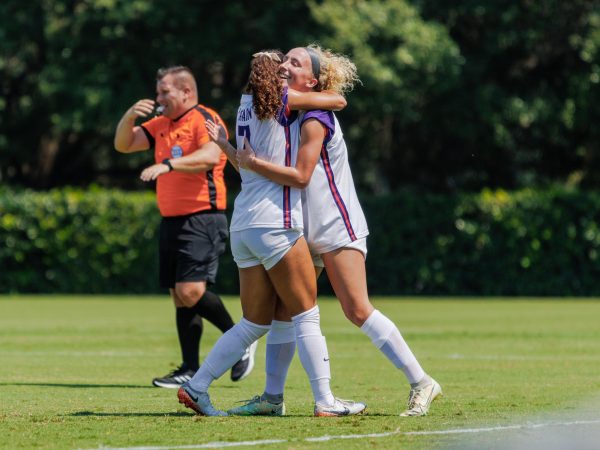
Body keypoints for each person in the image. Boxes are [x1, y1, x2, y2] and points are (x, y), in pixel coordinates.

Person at [226, 45, 442, 417]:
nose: (285, 65)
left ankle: (422, 382)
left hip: (334, 223)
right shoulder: (285, 110)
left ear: (311, 80)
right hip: (298, 226)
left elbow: (303, 174)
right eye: (284, 60)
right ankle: (271, 397)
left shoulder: (314, 116)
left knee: (356, 308)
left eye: (295, 62)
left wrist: (253, 161)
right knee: (283, 311)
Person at [176, 50, 366, 417]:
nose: (286, 70)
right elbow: (338, 100)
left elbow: (243, 162)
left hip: (243, 225)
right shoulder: (283, 100)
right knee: (306, 314)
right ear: (275, 78)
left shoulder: (246, 104)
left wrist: (225, 146)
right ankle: (325, 401)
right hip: (275, 222)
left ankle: (197, 387)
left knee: (254, 322)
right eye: (283, 65)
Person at [113, 65, 256, 389]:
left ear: (186, 92)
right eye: (158, 91)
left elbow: (209, 155)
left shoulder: (204, 118)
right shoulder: (161, 124)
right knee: (180, 296)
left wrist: (167, 164)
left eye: (165, 91)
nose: (159, 97)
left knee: (191, 291)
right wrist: (129, 116)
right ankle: (189, 367)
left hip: (202, 218)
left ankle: (241, 341)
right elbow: (124, 144)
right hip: (172, 220)